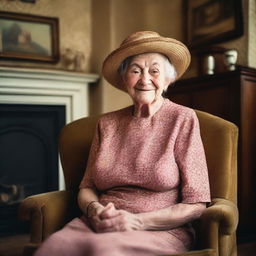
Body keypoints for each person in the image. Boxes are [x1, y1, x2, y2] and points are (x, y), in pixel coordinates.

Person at [35, 31, 211, 256]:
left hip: (158, 229)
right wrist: (94, 210)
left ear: (168, 79)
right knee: (52, 250)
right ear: (124, 79)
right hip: (98, 224)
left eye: (154, 71)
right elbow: (86, 187)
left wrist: (136, 221)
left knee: (105, 252)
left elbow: (197, 203)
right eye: (135, 70)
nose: (145, 79)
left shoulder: (182, 119)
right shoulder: (106, 124)